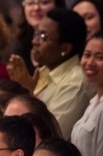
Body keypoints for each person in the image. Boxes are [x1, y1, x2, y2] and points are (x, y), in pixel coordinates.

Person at [8, 8, 93, 139]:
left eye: (43, 37)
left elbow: (53, 136)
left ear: (65, 48)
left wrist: (28, 92)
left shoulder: (75, 83)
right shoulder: (45, 69)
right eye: (36, 33)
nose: (34, 41)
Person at [13, 0, 66, 75]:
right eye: (30, 3)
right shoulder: (21, 46)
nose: (36, 8)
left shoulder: (66, 42)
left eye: (44, 2)